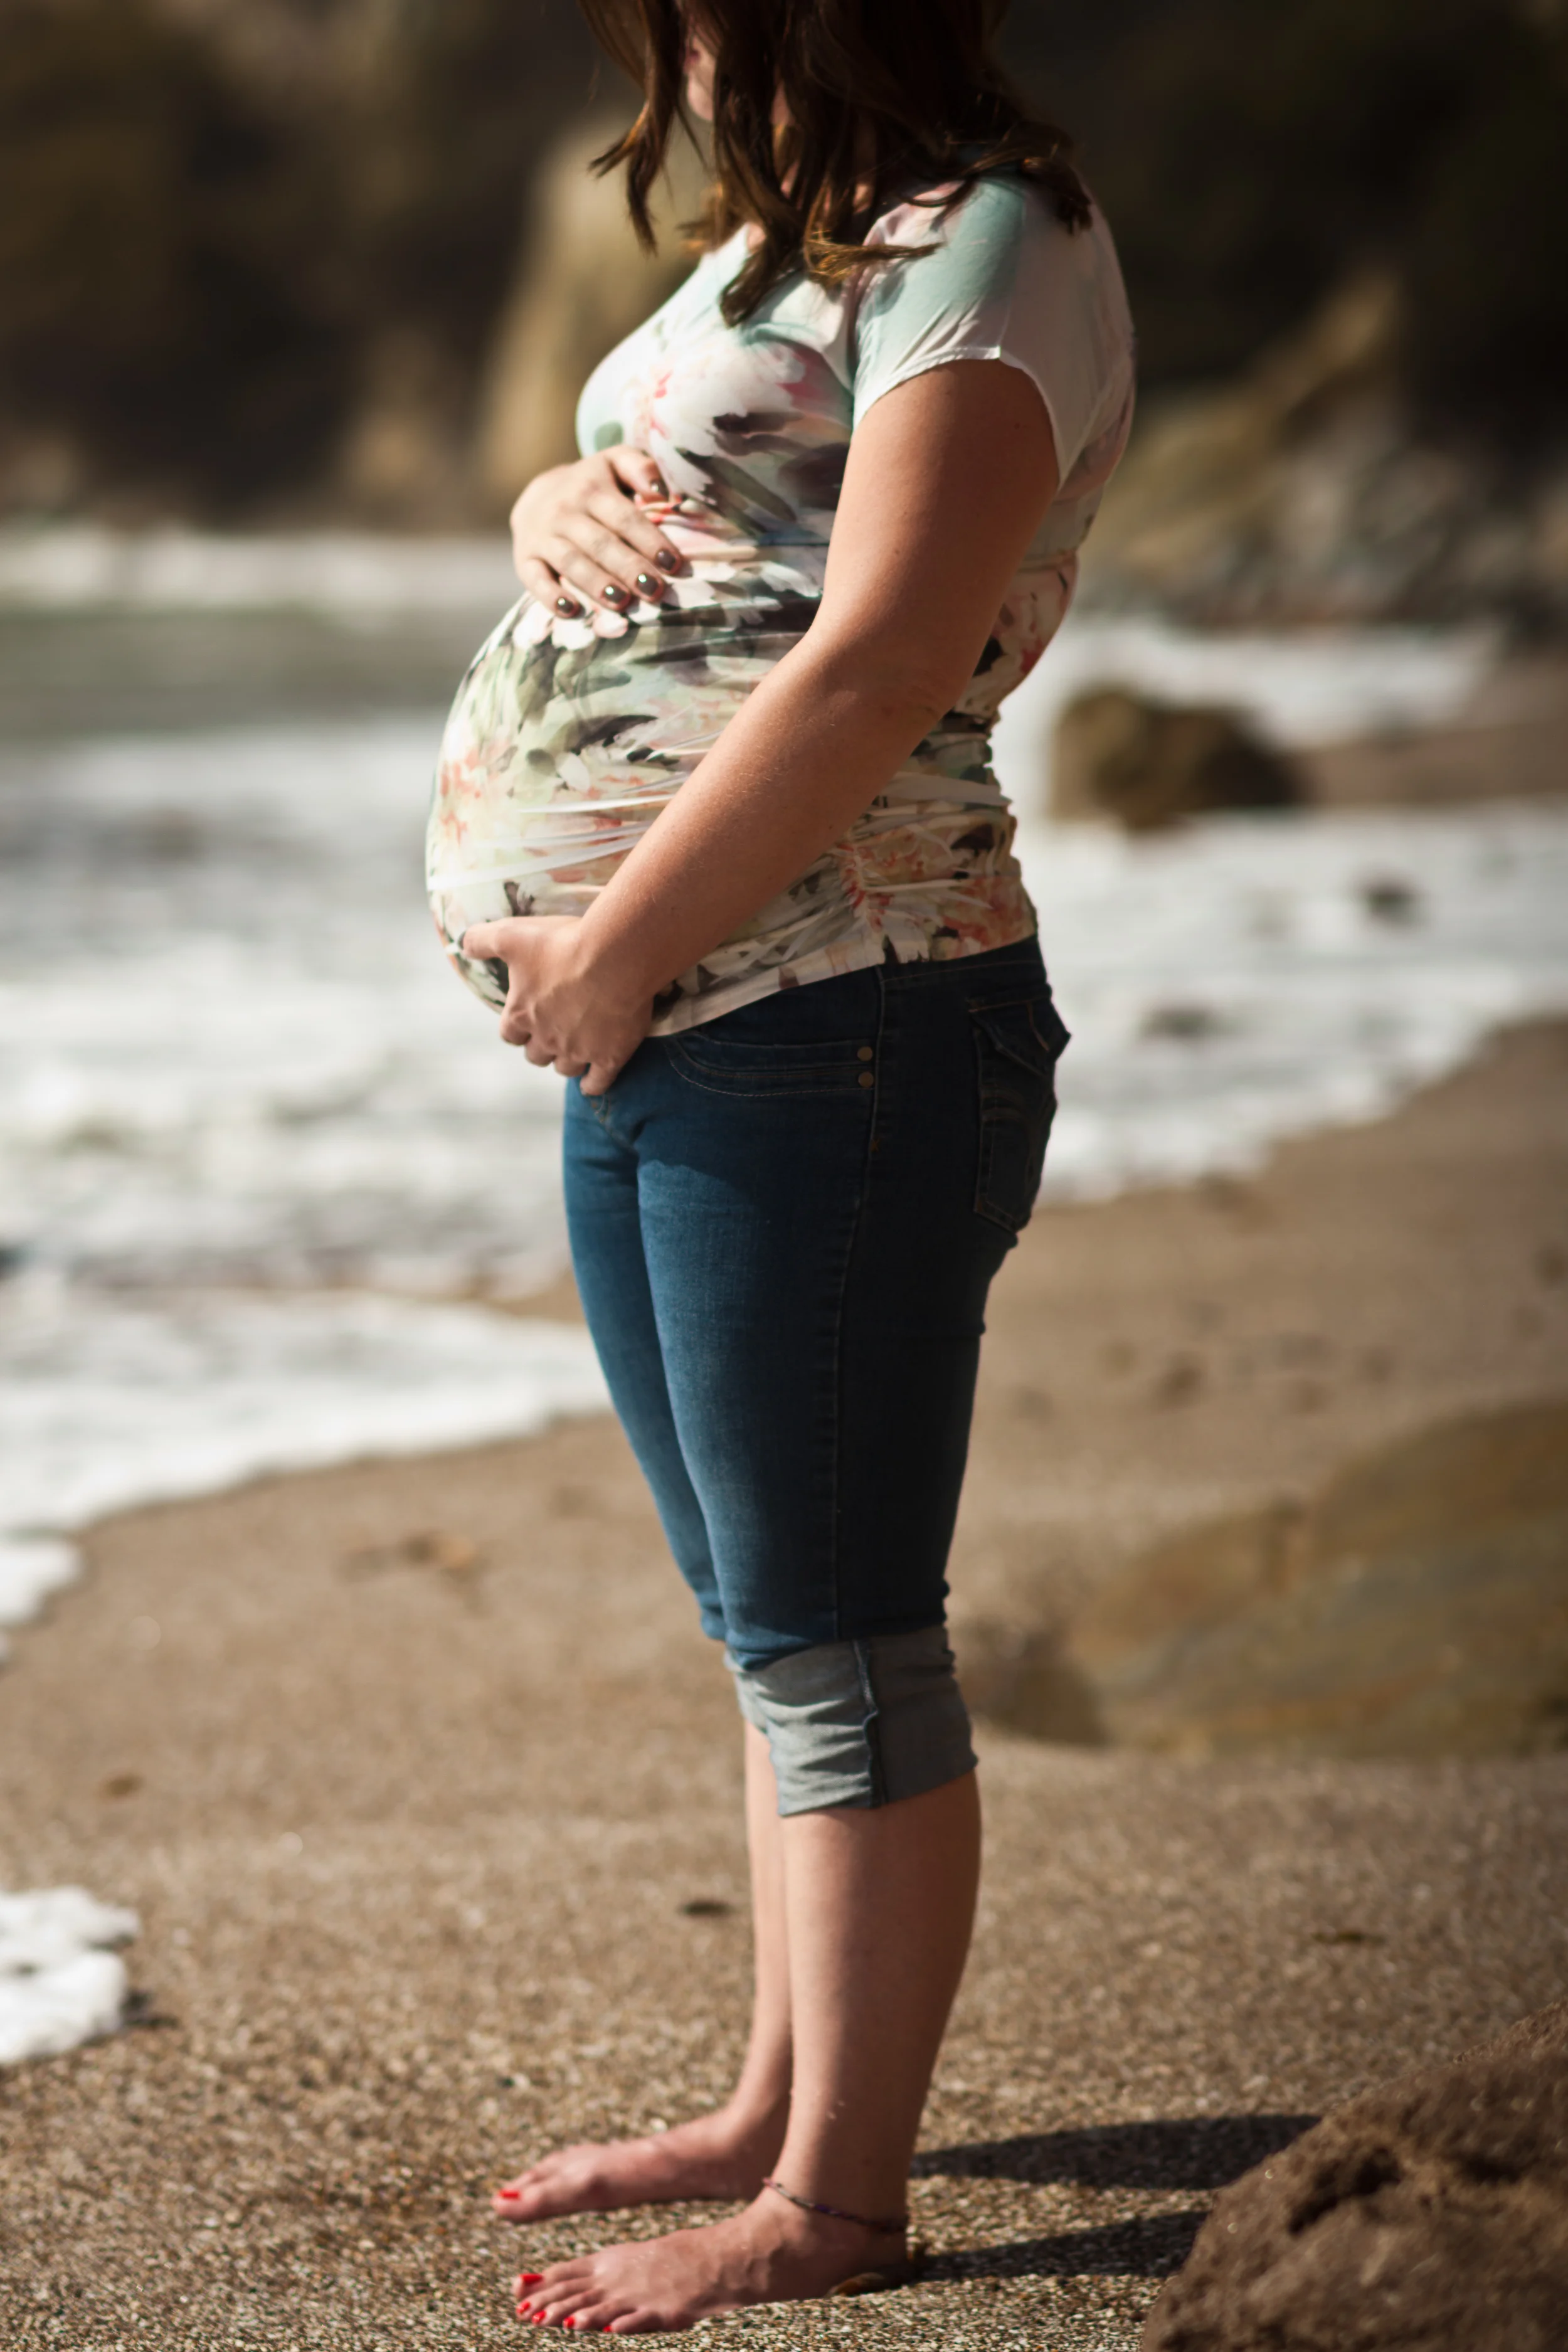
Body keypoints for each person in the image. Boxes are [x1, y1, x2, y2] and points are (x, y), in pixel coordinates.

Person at [426, 0, 1134, 2331]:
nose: (694, 53)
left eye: (722, 11)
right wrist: (548, 498)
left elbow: (878, 658)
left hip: (840, 1010)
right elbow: (660, 509)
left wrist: (613, 953)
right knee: (771, 1628)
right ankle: (774, 2102)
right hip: (690, 1024)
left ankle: (835, 2201)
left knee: (839, 1630)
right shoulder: (780, 251)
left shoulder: (992, 240)